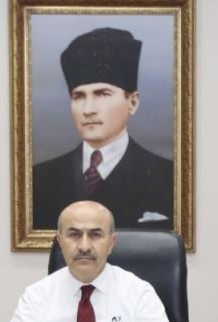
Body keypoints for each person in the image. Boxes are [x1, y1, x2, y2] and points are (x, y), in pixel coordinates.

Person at [2, 200, 178, 322]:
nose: (84, 246)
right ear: (60, 241)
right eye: (74, 235)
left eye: (95, 235)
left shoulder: (139, 293)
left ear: (111, 243)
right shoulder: (36, 297)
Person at [32, 27, 174, 231]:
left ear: (132, 102)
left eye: (102, 94)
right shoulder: (39, 179)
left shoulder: (169, 178)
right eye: (78, 96)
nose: (88, 109)